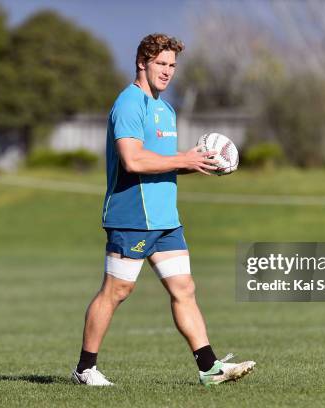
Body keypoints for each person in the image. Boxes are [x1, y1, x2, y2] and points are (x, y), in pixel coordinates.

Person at [71, 33, 256, 387]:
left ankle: (210, 368)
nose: (168, 71)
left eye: (172, 65)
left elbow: (163, 162)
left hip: (165, 219)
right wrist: (182, 157)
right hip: (132, 216)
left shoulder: (166, 109)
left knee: (184, 288)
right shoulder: (129, 103)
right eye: (161, 64)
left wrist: (200, 162)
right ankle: (85, 368)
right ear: (142, 62)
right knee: (117, 291)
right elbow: (132, 159)